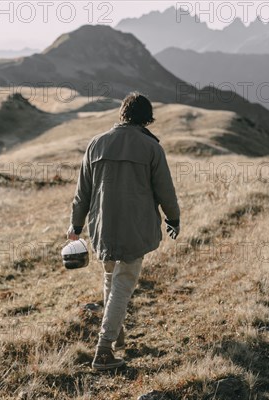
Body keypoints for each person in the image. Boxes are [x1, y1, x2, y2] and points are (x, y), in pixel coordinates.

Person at [67, 92, 180, 371]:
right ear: (146, 119)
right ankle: (104, 350)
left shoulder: (96, 144)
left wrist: (76, 226)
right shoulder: (151, 148)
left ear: (122, 114)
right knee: (123, 283)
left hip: (102, 226)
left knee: (110, 277)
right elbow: (165, 190)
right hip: (135, 227)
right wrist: (173, 219)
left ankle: (116, 337)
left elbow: (82, 193)